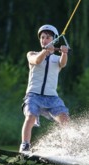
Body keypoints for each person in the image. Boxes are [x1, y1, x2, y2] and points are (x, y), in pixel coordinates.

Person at [20, 24, 70, 152]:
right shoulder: (32, 54)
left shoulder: (57, 59)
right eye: (42, 37)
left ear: (54, 40)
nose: (44, 40)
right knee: (30, 116)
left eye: (48, 37)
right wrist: (46, 51)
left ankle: (67, 150)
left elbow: (63, 63)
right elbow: (36, 61)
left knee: (65, 119)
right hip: (33, 96)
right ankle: (25, 146)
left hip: (52, 98)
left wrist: (64, 52)